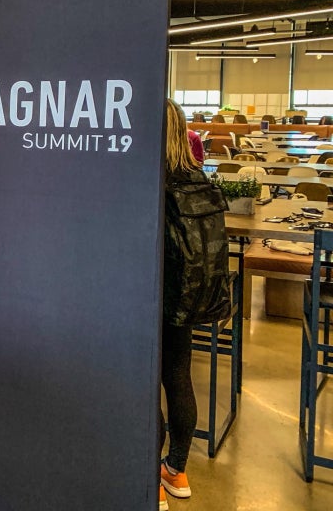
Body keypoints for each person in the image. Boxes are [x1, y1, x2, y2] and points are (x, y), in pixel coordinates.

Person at [159, 99, 222, 509]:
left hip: (151, 296)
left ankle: (146, 479)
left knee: (144, 385)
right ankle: (177, 470)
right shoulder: (200, 181)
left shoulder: (152, 183)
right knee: (179, 378)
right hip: (189, 298)